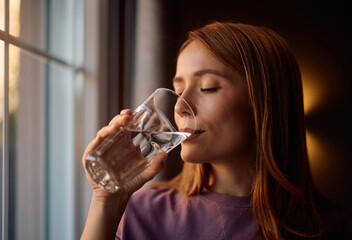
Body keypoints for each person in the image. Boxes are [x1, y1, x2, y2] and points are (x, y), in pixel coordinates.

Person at [81, 21, 352, 240]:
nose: (180, 107)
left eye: (208, 87)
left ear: (263, 102)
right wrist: (106, 201)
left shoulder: (332, 228)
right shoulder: (144, 211)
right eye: (177, 91)